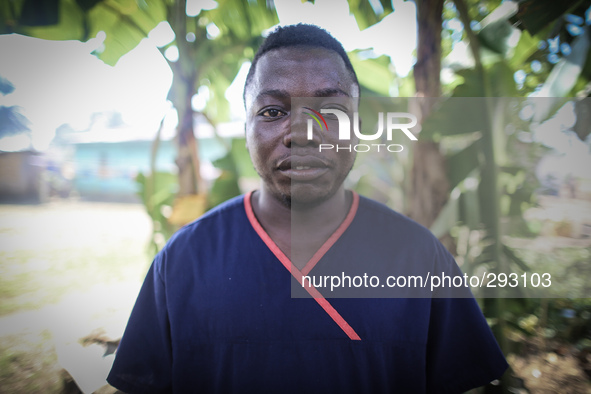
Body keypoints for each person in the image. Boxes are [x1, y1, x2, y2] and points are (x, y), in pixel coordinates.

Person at [107, 24, 508, 393]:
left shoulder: (419, 256)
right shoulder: (183, 260)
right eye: (272, 112)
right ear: (246, 129)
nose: (301, 133)